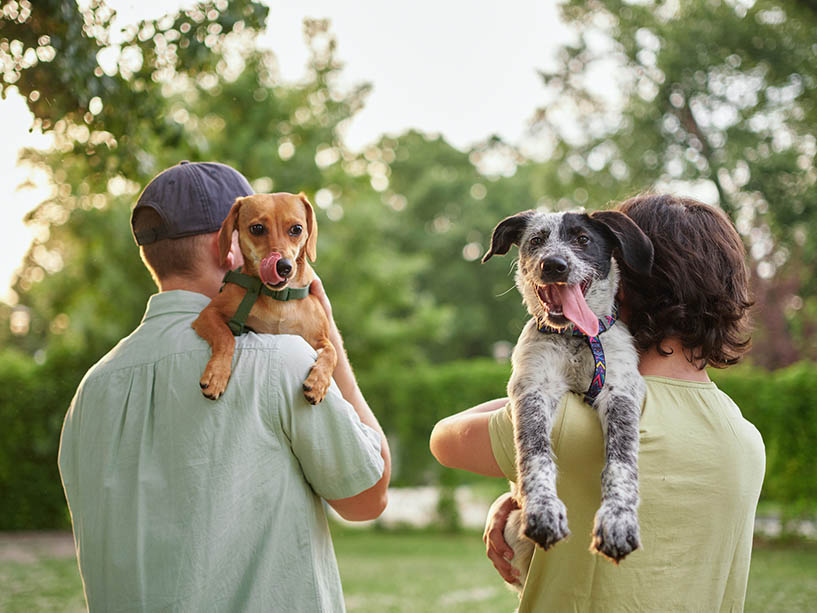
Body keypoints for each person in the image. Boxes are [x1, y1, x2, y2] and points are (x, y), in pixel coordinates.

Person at [58, 161, 391, 612]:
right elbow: (369, 496)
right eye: (259, 230)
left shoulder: (90, 391)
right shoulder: (284, 361)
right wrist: (328, 333)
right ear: (229, 248)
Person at [429, 194, 765, 612]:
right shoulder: (747, 440)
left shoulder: (569, 425)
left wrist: (522, 483)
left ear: (624, 281)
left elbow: (444, 439)